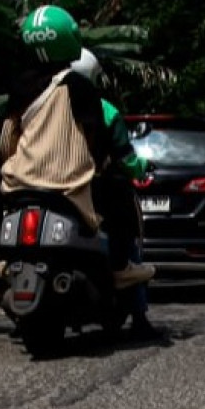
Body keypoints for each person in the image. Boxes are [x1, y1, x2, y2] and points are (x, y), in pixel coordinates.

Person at [0, 5, 153, 291]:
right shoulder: (79, 88)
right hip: (67, 186)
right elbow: (95, 141)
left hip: (19, 185)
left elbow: (7, 140)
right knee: (118, 194)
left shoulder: (19, 87)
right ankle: (120, 267)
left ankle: (5, 259)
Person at [70, 48, 161, 339]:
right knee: (129, 240)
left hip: (49, 188)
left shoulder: (42, 105)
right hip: (94, 188)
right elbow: (126, 158)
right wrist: (141, 166)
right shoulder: (105, 110)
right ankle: (138, 313)